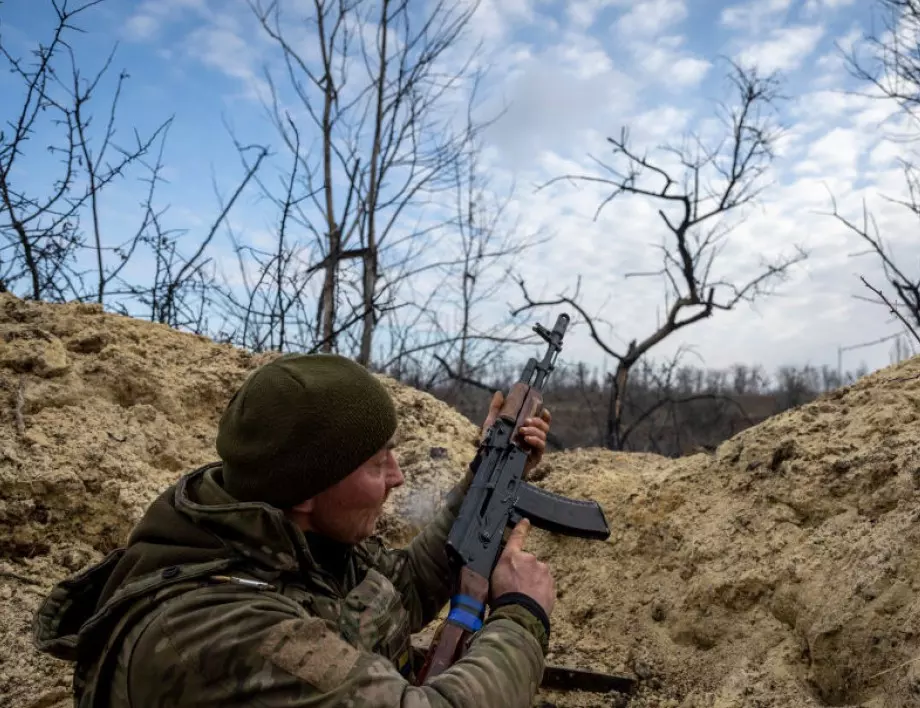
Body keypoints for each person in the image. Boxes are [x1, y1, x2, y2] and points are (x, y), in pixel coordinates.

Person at [34, 353, 556, 707]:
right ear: (308, 491)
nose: (397, 476)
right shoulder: (225, 631)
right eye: (377, 464)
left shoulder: (283, 537)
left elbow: (400, 592)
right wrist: (521, 615)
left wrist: (486, 477)